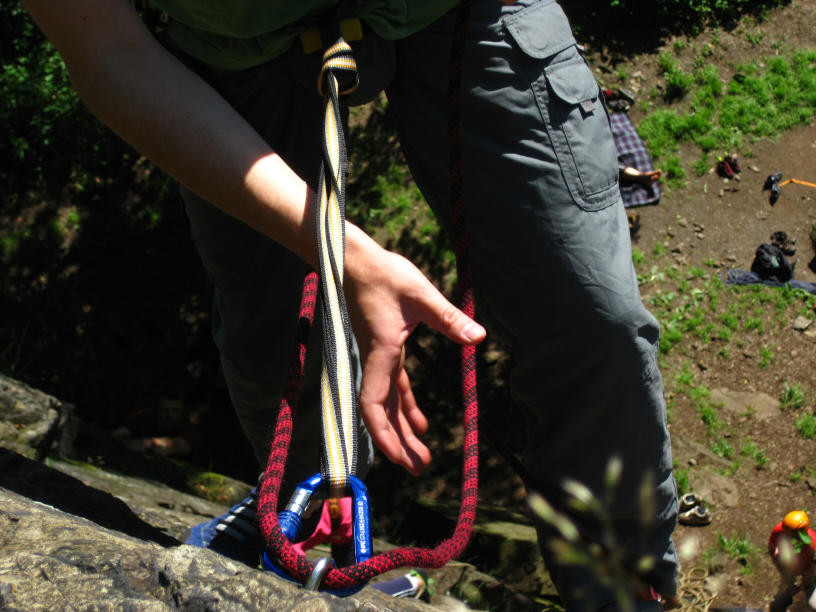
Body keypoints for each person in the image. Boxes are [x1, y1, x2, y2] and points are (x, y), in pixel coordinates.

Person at [22, 0, 678, 608]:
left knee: (594, 318)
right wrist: (346, 255)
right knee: (280, 345)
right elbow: (109, 54)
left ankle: (620, 587)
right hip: (236, 39)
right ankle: (320, 535)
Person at [768, 510, 816, 611]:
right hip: (789, 570)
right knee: (779, 603)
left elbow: (813, 571)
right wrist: (784, 574)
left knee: (813, 604)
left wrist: (804, 583)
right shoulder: (779, 531)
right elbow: (772, 550)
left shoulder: (813, 544)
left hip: (808, 573)